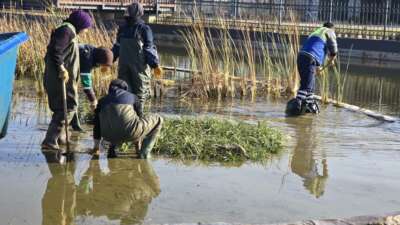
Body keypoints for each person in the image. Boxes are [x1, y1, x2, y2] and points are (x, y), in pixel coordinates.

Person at [41, 10, 93, 150]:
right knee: (69, 107)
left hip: (61, 78)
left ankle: (61, 137)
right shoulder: (66, 31)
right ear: (80, 24)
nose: (86, 30)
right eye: (86, 27)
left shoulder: (68, 30)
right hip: (59, 78)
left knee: (63, 107)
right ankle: (50, 140)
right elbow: (56, 50)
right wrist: (61, 68)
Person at [112, 2, 163, 117]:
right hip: (133, 68)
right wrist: (109, 60)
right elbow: (148, 48)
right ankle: (132, 119)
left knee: (131, 92)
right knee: (132, 92)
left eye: (128, 11)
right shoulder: (135, 29)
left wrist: (155, 65)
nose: (127, 14)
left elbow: (117, 47)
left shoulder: (132, 29)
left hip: (131, 68)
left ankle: (132, 118)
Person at [93, 79, 163, 159]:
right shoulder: (133, 97)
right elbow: (139, 119)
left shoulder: (102, 101)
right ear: (125, 89)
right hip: (130, 133)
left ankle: (111, 150)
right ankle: (144, 153)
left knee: (114, 121)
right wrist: (137, 146)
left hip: (108, 136)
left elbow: (97, 125)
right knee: (159, 119)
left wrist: (96, 148)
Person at [286, 22, 338, 116]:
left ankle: (307, 105)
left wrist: (318, 67)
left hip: (301, 57)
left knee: (308, 84)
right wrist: (333, 55)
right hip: (310, 59)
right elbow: (333, 46)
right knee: (307, 86)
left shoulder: (316, 32)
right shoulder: (329, 31)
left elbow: (317, 48)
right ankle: (297, 107)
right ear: (332, 28)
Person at [70, 44, 114, 132]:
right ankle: (69, 127)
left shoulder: (94, 52)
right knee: (70, 100)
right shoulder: (87, 57)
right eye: (102, 64)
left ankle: (74, 126)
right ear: (99, 60)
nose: (101, 67)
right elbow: (86, 84)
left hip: (70, 71)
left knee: (72, 100)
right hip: (61, 69)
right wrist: (93, 100)